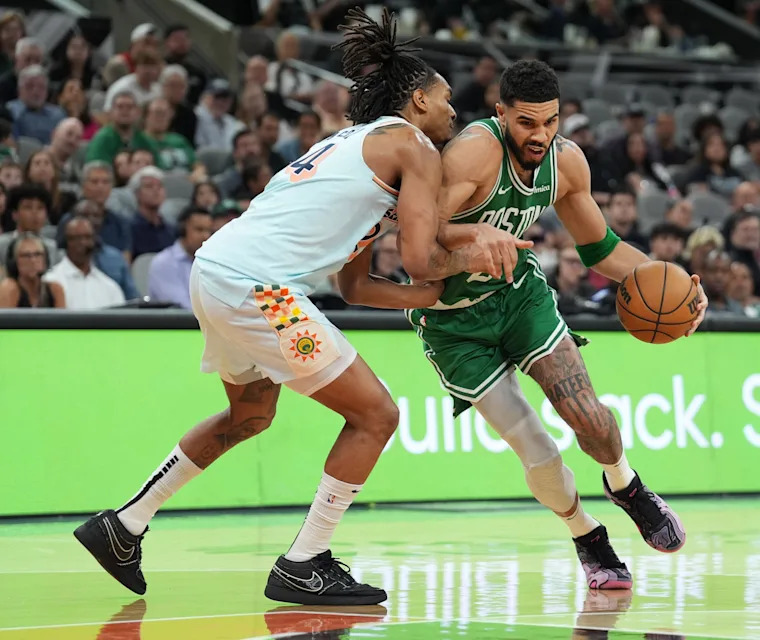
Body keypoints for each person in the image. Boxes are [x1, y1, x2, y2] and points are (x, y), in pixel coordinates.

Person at [73, 8, 525, 607]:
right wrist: (476, 251)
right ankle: (303, 561)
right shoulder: (413, 144)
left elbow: (357, 285)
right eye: (445, 101)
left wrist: (428, 298)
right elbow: (421, 256)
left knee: (252, 414)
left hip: (217, 273)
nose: (453, 112)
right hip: (259, 287)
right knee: (377, 416)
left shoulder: (356, 148)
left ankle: (124, 524)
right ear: (416, 101)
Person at [409, 58, 707, 594]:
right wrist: (474, 245)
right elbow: (418, 254)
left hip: (519, 297)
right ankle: (586, 535)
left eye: (550, 121)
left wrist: (677, 288)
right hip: (451, 319)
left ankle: (626, 485)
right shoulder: (473, 155)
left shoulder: (566, 163)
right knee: (538, 450)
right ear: (501, 114)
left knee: (588, 416)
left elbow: (601, 250)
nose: (540, 134)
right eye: (526, 122)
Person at [45, 216, 125, 309]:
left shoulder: (110, 287)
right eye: (76, 238)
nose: (83, 242)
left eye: (88, 237)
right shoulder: (51, 281)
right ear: (66, 242)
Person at [147, 207, 212, 308]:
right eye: (199, 229)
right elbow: (181, 308)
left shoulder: (211, 262)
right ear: (183, 230)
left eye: (208, 231)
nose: (206, 236)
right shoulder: (164, 263)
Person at [85, 91, 157, 165]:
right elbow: (95, 169)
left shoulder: (144, 140)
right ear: (111, 112)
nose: (125, 111)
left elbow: (158, 167)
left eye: (130, 107)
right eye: (120, 107)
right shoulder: (102, 139)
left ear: (138, 112)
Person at [0, 232, 65, 307]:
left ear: (45, 259)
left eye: (38, 254)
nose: (33, 260)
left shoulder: (54, 289)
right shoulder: (9, 288)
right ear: (14, 262)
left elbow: (62, 318)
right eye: (26, 255)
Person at [8, 65, 65, 144]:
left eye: (41, 87)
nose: (36, 92)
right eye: (29, 86)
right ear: (19, 90)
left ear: (47, 92)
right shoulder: (10, 112)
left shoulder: (58, 115)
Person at [0, 183, 58, 260]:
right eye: (28, 207)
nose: (35, 213)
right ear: (15, 214)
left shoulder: (51, 247)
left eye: (40, 208)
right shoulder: (2, 245)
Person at [684, 132, 744, 199]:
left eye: (721, 145)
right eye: (711, 145)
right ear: (704, 149)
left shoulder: (735, 173)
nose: (717, 149)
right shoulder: (696, 173)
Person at [143, 98, 196, 173]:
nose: (161, 117)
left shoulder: (179, 139)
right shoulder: (140, 140)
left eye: (165, 114)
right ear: (146, 116)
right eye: (157, 113)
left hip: (187, 180)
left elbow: (197, 165)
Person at [24, 149, 76, 225]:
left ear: (54, 171)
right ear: (28, 172)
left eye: (46, 163)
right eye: (37, 163)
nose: (42, 167)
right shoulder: (20, 199)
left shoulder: (68, 200)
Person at [163, 25, 206, 105]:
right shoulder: (160, 69)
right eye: (177, 39)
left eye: (185, 39)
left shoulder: (198, 72)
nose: (181, 43)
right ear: (167, 42)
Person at [194, 79, 242, 151]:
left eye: (225, 98)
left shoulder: (233, 123)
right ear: (205, 97)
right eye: (217, 97)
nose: (221, 102)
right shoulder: (194, 117)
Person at [162, 65, 197, 144]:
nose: (177, 90)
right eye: (172, 85)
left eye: (181, 86)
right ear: (163, 87)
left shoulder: (189, 115)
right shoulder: (151, 109)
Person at [701, 250, 744, 315]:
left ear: (730, 274)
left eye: (724, 271)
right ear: (703, 273)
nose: (719, 276)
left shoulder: (737, 309)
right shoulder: (692, 305)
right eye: (713, 270)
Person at [47, 117, 84, 186]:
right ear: (54, 134)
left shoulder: (76, 172)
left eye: (78, 138)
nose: (72, 141)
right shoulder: (37, 161)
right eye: (69, 134)